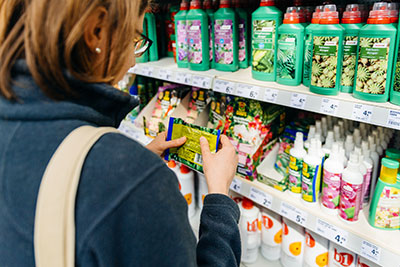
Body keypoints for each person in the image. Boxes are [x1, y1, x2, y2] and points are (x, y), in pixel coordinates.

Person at [0, 0, 241, 266]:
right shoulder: (133, 178)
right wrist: (218, 195)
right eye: (134, 38)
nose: (132, 60)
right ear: (96, 31)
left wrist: (132, 160)